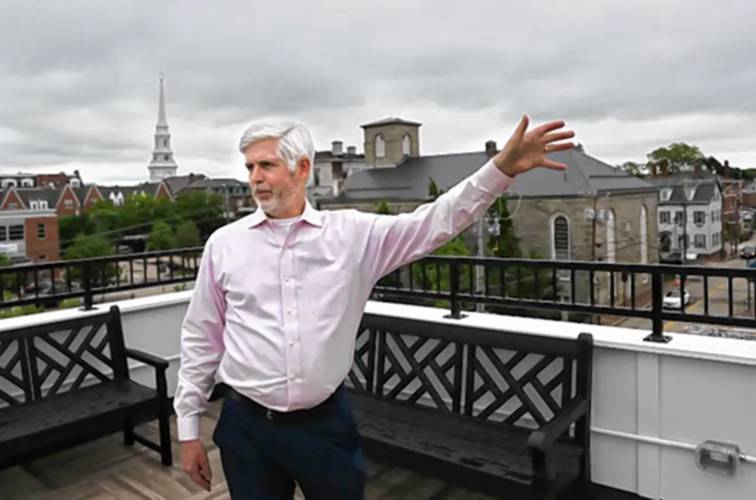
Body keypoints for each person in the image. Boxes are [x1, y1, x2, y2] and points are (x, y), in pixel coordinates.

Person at [174, 115, 574, 499]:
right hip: (246, 429)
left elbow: (434, 222)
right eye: (249, 167)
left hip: (323, 427)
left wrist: (500, 168)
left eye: (266, 165)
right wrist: (189, 427)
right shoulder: (224, 245)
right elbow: (202, 336)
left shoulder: (352, 236)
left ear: (301, 169)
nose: (255, 178)